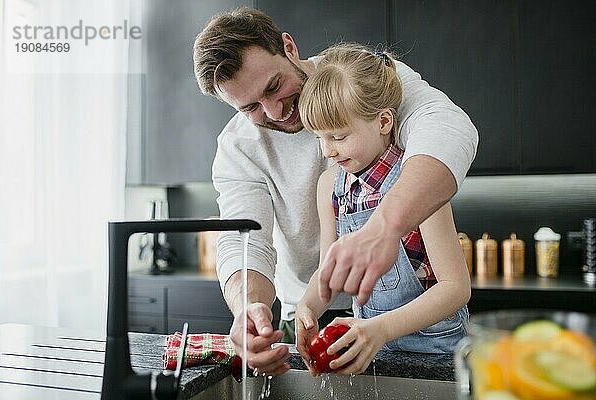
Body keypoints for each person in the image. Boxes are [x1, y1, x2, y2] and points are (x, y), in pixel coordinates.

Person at [192, 7, 477, 377]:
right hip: (319, 321)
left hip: (427, 340)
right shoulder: (240, 149)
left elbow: (448, 127)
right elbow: (246, 241)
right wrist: (249, 308)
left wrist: (384, 228)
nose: (275, 112)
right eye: (250, 107)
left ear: (288, 48)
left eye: (274, 86)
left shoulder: (360, 76)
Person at [294, 43, 471, 376]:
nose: (328, 150)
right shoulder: (329, 186)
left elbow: (455, 289)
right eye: (319, 138)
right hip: (370, 351)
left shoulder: (418, 181)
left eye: (339, 136)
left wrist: (380, 329)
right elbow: (328, 272)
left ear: (384, 121)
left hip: (437, 353)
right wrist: (308, 304)